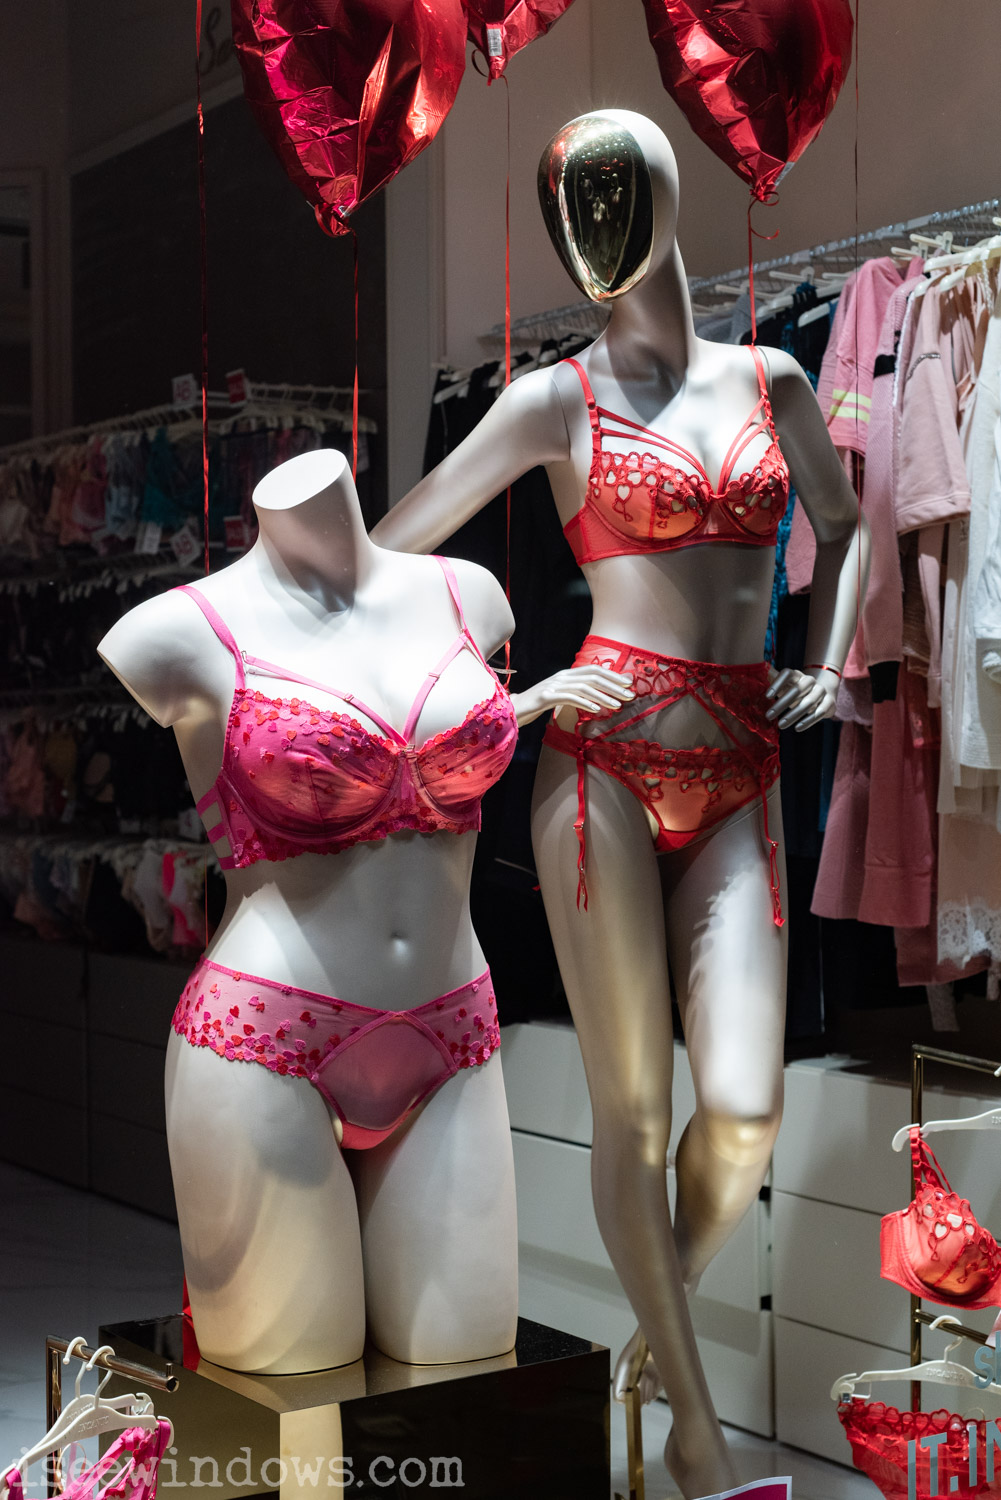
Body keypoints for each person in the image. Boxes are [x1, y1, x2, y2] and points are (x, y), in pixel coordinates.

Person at [371, 111, 869, 1495]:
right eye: (567, 208)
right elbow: (390, 551)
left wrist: (826, 664)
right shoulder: (551, 401)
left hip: (743, 766)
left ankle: (651, 1346)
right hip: (598, 767)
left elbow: (846, 525)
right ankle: (694, 1441)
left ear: (663, 195)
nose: (592, 230)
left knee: (745, 1113)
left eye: (612, 194)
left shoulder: (773, 378)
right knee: (635, 1116)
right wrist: (509, 694)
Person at [98, 446, 628, 1375]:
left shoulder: (468, 595)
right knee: (296, 1404)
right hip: (267, 1038)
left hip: (453, 1028)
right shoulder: (175, 632)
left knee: (466, 1378)